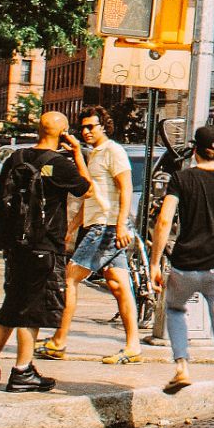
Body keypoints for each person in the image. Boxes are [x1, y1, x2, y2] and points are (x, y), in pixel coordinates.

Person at [0, 111, 91, 393]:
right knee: (32, 310)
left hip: (15, 244)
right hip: (44, 244)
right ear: (63, 133)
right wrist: (77, 153)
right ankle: (22, 370)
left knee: (12, 304)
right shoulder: (60, 164)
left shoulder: (16, 158)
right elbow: (86, 189)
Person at [149, 124, 214, 428]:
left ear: (194, 150)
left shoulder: (182, 179)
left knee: (175, 308)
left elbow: (164, 220)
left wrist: (154, 262)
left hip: (185, 266)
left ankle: (182, 364)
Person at [40, 107, 139, 364]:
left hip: (106, 226)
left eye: (91, 127)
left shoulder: (113, 151)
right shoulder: (94, 153)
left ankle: (59, 341)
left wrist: (120, 225)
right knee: (118, 286)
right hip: (101, 224)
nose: (85, 132)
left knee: (70, 278)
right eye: (82, 127)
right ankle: (133, 346)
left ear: (104, 126)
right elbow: (92, 195)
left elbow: (126, 188)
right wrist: (72, 227)